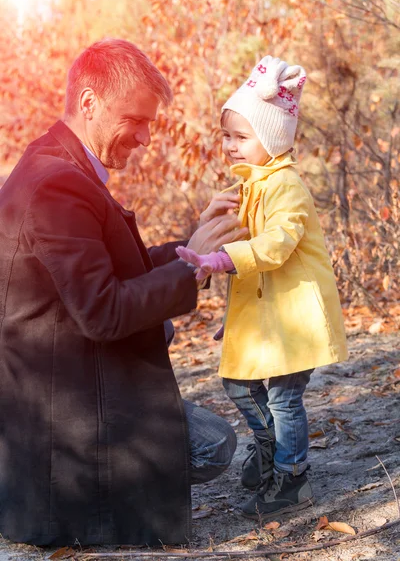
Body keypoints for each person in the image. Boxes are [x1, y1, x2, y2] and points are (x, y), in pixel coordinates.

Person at [0, 38, 249, 546]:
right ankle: (91, 501)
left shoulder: (55, 165)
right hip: (60, 424)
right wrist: (194, 269)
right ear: (89, 102)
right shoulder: (57, 185)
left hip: (58, 385)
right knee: (216, 446)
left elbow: (109, 269)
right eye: (135, 120)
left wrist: (193, 246)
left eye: (150, 122)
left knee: (166, 332)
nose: (145, 137)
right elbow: (103, 312)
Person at [177, 55, 349, 520]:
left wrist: (221, 258)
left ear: (271, 138)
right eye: (226, 136)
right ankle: (269, 445)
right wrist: (233, 308)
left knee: (283, 396)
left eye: (241, 136)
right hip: (267, 312)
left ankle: (291, 477)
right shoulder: (251, 184)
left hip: (296, 315)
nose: (230, 146)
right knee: (236, 381)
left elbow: (274, 247)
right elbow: (250, 256)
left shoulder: (285, 186)